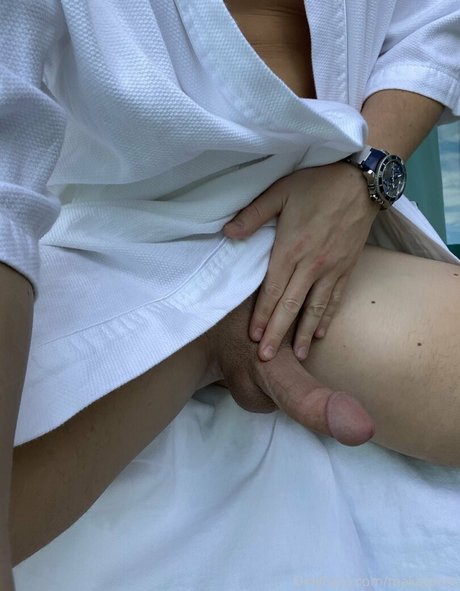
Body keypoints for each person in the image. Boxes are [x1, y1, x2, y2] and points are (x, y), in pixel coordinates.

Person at [1, 0, 459, 588]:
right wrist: (205, 332)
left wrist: (364, 176)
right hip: (118, 258)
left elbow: (434, 19)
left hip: (329, 242)